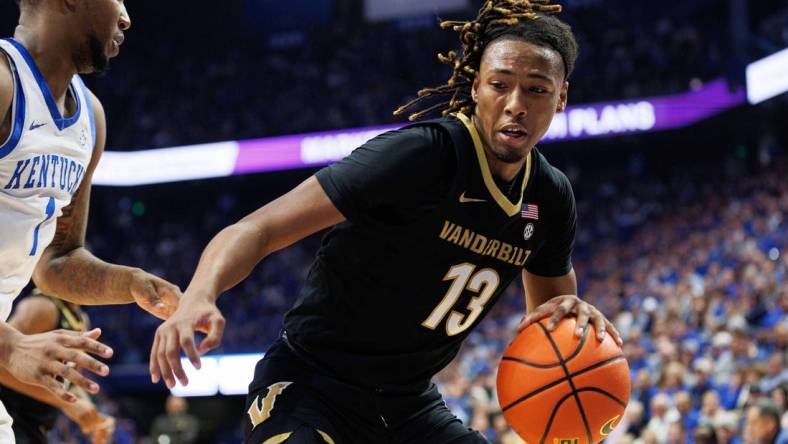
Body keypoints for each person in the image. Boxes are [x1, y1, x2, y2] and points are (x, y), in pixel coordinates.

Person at [151, 0, 622, 443]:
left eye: (536, 89)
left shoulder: (551, 197)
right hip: (312, 386)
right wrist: (199, 294)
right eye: (500, 84)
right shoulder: (420, 155)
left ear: (561, 97)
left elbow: (553, 327)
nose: (516, 103)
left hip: (408, 405)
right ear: (476, 86)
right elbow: (259, 228)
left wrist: (577, 322)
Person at [0, 0, 181, 439]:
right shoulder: (4, 83)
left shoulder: (90, 118)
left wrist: (133, 283)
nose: (126, 17)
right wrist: (12, 345)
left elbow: (57, 260)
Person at [0, 290, 114, 444]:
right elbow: (2, 366)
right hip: (10, 417)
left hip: (34, 427)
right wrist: (65, 402)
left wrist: (90, 413)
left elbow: (68, 383)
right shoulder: (42, 307)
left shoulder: (81, 318)